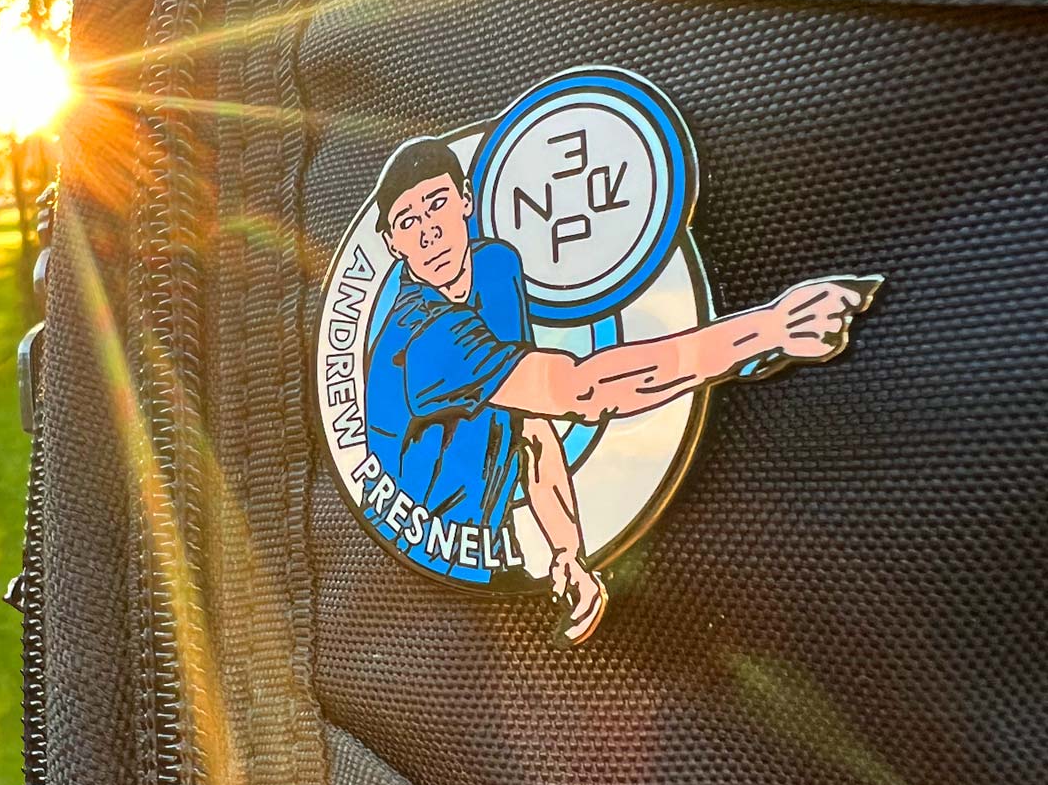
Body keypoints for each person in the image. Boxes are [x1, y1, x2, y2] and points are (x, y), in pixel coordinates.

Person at [363, 137, 876, 645]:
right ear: (392, 243)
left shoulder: (496, 268)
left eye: (437, 203)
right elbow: (579, 391)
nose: (429, 232)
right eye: (407, 222)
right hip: (428, 582)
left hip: (482, 544)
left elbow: (531, 424)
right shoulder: (423, 338)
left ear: (466, 200)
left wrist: (567, 551)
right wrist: (765, 331)